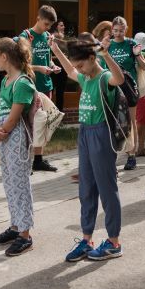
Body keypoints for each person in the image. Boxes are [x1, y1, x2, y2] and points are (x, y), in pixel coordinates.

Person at [50, 33, 126, 262]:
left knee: (107, 189)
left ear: (93, 58)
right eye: (77, 66)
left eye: (81, 65)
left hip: (101, 135)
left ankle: (114, 242)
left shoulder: (103, 77)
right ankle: (86, 240)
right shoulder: (85, 78)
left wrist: (106, 54)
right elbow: (69, 71)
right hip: (85, 133)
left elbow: (119, 78)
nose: (79, 70)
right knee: (86, 189)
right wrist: (56, 50)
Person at [0, 37, 38, 256]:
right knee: (9, 183)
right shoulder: (6, 80)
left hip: (16, 138)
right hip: (4, 136)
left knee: (20, 185)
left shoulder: (23, 83)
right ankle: (15, 226)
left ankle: (25, 235)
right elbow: (0, 108)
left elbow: (13, 118)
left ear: (5, 56)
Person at [19, 5, 61, 172]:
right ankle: (25, 161)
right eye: (45, 24)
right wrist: (39, 69)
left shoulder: (47, 36)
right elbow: (21, 64)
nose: (47, 28)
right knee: (29, 124)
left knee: (42, 123)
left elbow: (47, 58)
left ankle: (38, 160)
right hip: (30, 86)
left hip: (46, 85)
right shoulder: (26, 36)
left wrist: (52, 65)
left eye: (50, 25)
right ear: (38, 18)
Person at [108, 17, 142, 171]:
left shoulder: (131, 44)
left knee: (131, 121)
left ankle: (132, 155)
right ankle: (112, 155)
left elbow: (144, 65)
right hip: (113, 88)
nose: (118, 33)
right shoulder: (108, 45)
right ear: (112, 30)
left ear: (126, 30)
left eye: (121, 31)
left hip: (128, 87)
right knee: (112, 122)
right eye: (115, 30)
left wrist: (137, 55)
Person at [50, 19, 68, 111]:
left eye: (63, 25)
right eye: (61, 25)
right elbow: (48, 56)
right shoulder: (52, 38)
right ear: (56, 26)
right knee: (51, 92)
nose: (63, 27)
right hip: (53, 69)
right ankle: (50, 113)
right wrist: (59, 56)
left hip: (63, 69)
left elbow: (67, 54)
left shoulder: (65, 39)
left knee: (60, 93)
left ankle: (60, 114)